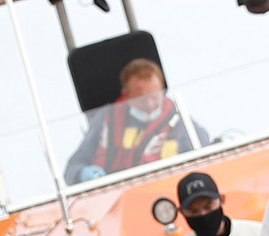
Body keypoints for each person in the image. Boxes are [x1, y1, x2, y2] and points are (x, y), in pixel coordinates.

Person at [65, 59, 205, 184]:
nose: (150, 105)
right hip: (117, 195)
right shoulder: (106, 120)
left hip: (167, 190)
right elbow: (72, 168)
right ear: (126, 94)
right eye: (142, 100)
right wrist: (81, 174)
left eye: (155, 97)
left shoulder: (181, 122)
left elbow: (207, 154)